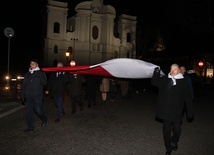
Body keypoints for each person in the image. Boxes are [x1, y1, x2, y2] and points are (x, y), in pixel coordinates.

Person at [151, 64, 194, 155]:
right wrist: (156, 72)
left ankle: (174, 141)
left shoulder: (184, 82)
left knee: (177, 129)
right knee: (166, 130)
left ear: (179, 71)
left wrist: (190, 111)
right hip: (166, 110)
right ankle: (168, 147)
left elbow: (187, 97)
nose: (172, 71)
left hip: (177, 111)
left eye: (175, 69)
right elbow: (154, 82)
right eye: (171, 69)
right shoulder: (165, 79)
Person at [21, 59, 48, 132]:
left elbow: (44, 83)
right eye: (31, 63)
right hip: (28, 96)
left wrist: (40, 74)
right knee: (28, 112)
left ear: (37, 65)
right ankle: (30, 127)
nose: (32, 65)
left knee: (38, 110)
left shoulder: (41, 73)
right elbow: (24, 86)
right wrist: (23, 96)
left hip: (37, 96)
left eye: (34, 63)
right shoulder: (27, 74)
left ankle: (44, 119)